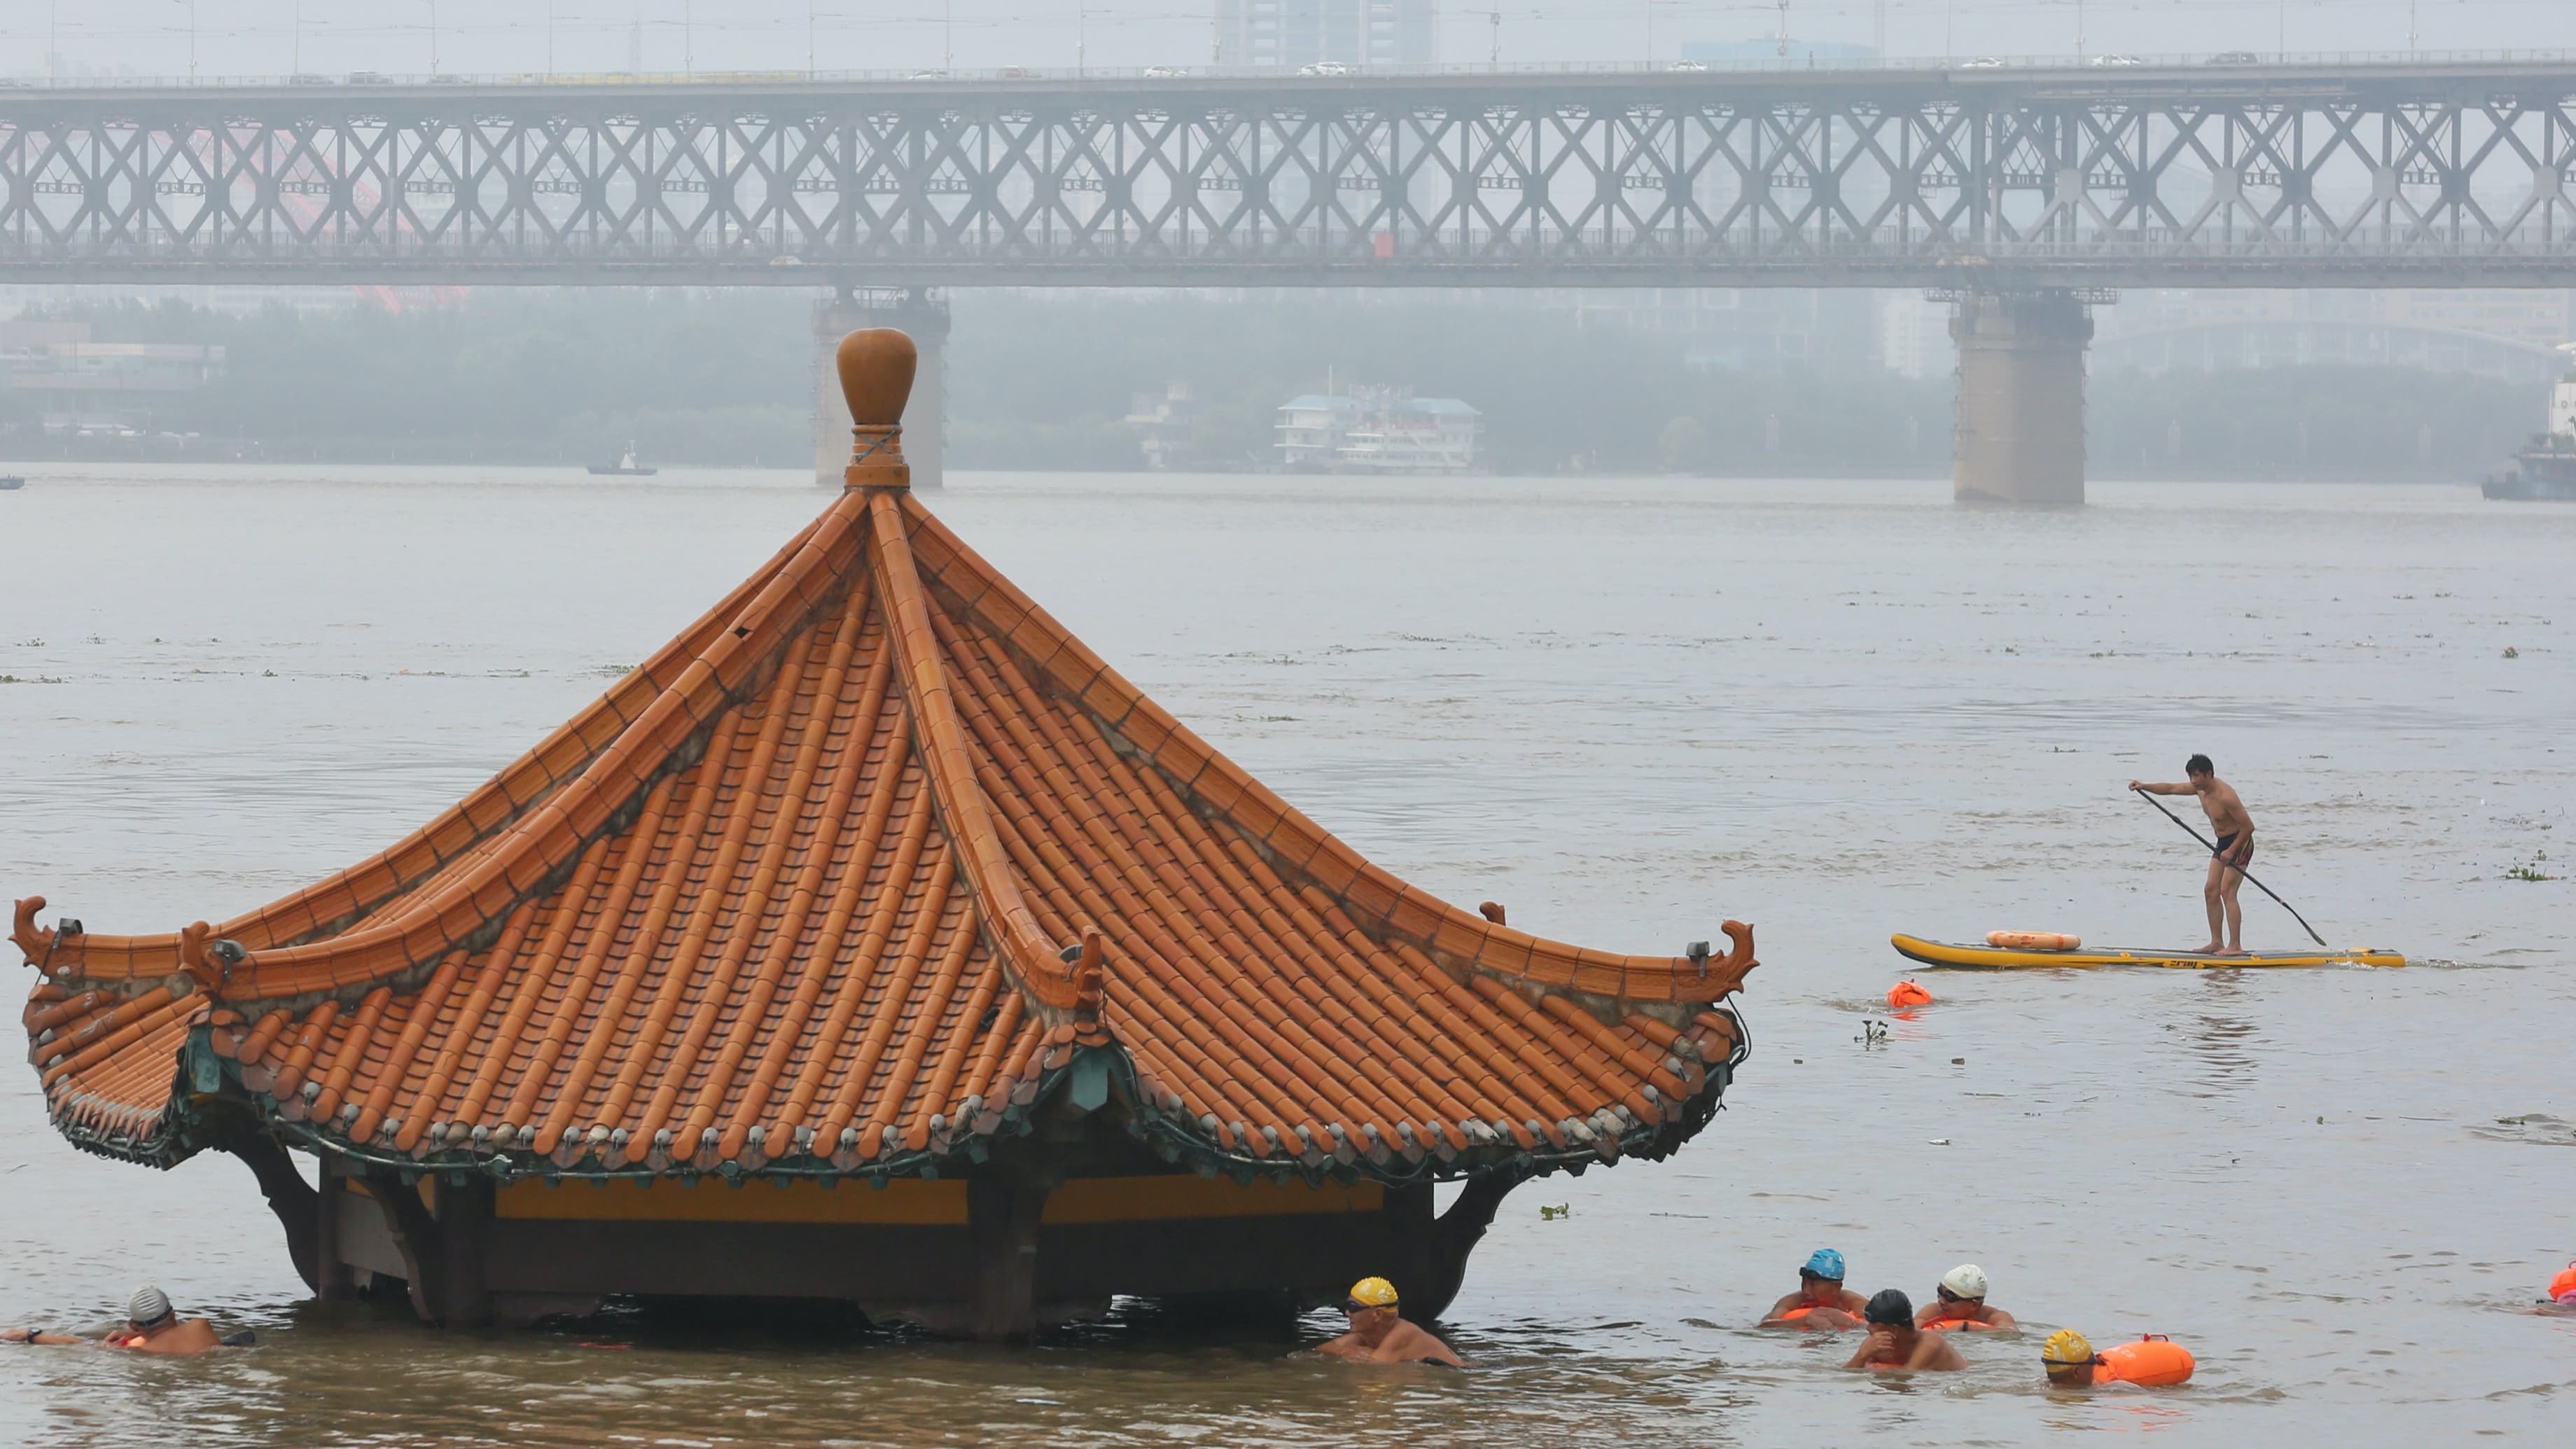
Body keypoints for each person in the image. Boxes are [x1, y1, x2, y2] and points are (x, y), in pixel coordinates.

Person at [2130, 754, 2256, 955]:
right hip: (2222, 843)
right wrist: (2144, 786)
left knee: (2227, 891)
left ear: (2209, 774)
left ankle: (2235, 946)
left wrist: (2232, 850)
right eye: (2190, 776)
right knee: (2210, 891)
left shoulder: (2226, 795)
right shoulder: (2200, 791)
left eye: (2197, 776)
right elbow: (2171, 788)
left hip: (2240, 843)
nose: (2193, 781)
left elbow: (2249, 827)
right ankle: (2216, 942)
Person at [1315, 1277, 1465, 1367]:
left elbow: (1374, 1367)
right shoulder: (1366, 1334)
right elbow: (1323, 1348)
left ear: (1377, 1315)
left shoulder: (1402, 1334)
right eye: (1346, 1306)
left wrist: (1362, 1352)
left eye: (1353, 1308)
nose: (1347, 1312)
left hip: (1456, 1371)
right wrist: (1346, 1351)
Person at [1843, 1289, 1965, 1372]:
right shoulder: (1877, 1343)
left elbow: (1906, 1379)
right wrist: (1861, 1356)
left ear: (1893, 1330)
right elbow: (1847, 1374)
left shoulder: (1930, 1345)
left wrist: (1867, 1358)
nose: (1868, 1328)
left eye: (1874, 1324)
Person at [2042, 1329, 2194, 1387]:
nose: (2097, 1364)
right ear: (2076, 1372)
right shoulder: (2113, 1386)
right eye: (2093, 1361)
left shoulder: (2042, 1387)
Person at [1762, 1249, 1868, 1328]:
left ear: (1836, 1287)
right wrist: (1803, 1321)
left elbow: (1879, 1330)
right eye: (1804, 1283)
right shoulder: (1791, 1302)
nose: (1806, 1291)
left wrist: (1851, 1323)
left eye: (1813, 1285)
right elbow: (1764, 1327)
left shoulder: (1856, 1304)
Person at [107, 1287, 225, 1356]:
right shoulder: (200, 1325)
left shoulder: (144, 1352)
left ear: (133, 1326)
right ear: (173, 1315)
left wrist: (105, 1346)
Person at [1916, 1263, 2017, 1331]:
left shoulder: (1994, 1317)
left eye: (1950, 1297)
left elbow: (2011, 1333)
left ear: (1974, 1305)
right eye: (1940, 1292)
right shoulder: (1933, 1312)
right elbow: (1910, 1332)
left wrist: (1965, 1327)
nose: (1941, 1301)